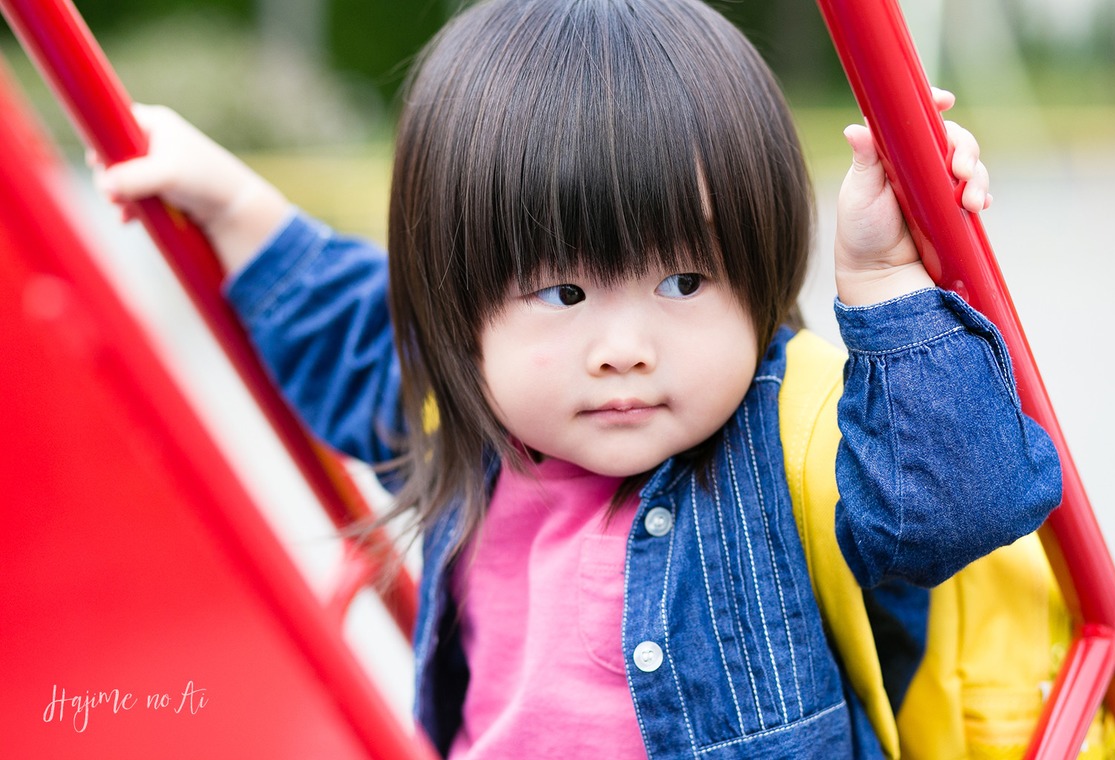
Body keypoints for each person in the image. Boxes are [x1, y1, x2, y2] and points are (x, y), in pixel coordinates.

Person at [94, 0, 1061, 757]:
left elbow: (956, 503)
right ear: (460, 302)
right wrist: (231, 200)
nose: (625, 346)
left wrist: (887, 281)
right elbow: (342, 320)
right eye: (562, 292)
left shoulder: (792, 437)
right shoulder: (466, 413)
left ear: (759, 268)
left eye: (683, 280)